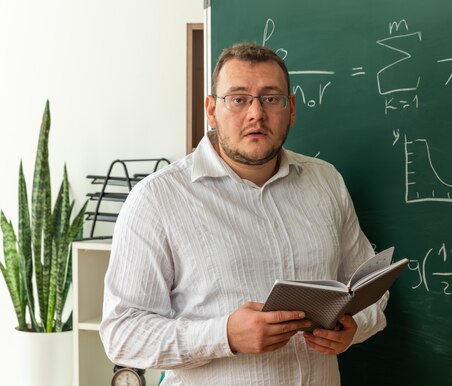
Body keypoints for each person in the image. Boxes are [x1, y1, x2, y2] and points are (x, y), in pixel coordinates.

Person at [100, 42, 388, 385]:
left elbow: (371, 290)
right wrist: (225, 336)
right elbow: (122, 334)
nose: (256, 113)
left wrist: (352, 330)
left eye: (270, 98)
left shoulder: (326, 182)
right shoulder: (157, 199)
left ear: (291, 108)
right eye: (237, 99)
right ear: (211, 109)